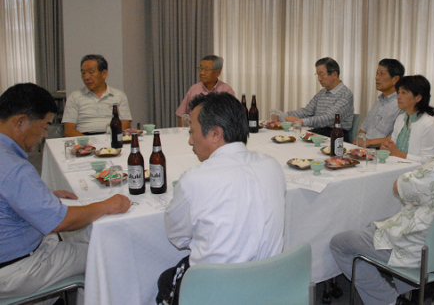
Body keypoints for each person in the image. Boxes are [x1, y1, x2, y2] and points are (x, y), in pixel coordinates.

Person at [330, 78, 434, 305]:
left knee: (340, 242)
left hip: (420, 246)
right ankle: (409, 288)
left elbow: (401, 187)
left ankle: (387, 300)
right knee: (375, 222)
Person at [0, 83, 131, 301]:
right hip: (16, 268)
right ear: (20, 122)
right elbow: (61, 221)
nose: (44, 135)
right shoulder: (14, 168)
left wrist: (41, 197)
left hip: (9, 256)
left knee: (80, 238)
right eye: (44, 126)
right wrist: (107, 205)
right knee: (107, 253)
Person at [158, 92, 285, 305]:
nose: (190, 141)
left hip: (218, 293)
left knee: (165, 280)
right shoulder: (272, 166)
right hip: (268, 285)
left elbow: (178, 238)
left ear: (215, 133)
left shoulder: (195, 179)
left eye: (192, 132)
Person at [283, 57, 354, 140]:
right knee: (291, 138)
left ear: (334, 74)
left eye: (322, 74)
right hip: (319, 132)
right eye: (318, 75)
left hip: (336, 136)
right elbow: (307, 111)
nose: (319, 79)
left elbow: (330, 118)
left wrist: (301, 122)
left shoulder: (345, 94)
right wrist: (283, 116)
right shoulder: (322, 93)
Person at [62, 54, 132, 136]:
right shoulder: (74, 97)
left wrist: (112, 138)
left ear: (104, 73)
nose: (86, 77)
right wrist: (88, 142)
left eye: (91, 72)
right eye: (83, 73)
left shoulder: (119, 95)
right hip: (84, 138)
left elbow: (126, 124)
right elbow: (68, 130)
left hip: (111, 137)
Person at [380, 75, 434, 164]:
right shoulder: (400, 118)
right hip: (396, 166)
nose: (398, 97)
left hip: (417, 171)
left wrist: (397, 154)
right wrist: (386, 148)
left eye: (403, 93)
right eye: (398, 92)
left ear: (418, 98)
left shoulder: (428, 123)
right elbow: (392, 147)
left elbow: (429, 161)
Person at [354, 59, 405, 148]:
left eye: (382, 74)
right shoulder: (378, 103)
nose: (376, 77)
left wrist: (369, 142)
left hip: (381, 152)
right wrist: (358, 142)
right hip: (363, 150)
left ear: (395, 79)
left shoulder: (401, 105)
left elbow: (400, 137)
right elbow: (363, 129)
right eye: (377, 73)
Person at [175, 55, 236, 125]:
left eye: (206, 69)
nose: (202, 73)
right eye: (201, 68)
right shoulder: (194, 89)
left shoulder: (226, 90)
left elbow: (233, 117)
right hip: (195, 130)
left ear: (218, 72)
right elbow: (182, 115)